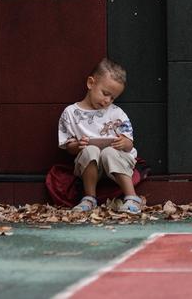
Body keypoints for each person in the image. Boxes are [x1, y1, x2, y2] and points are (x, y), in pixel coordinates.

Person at [57, 58, 142, 214]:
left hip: (117, 163)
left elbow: (129, 143)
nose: (107, 100)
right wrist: (78, 146)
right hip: (89, 166)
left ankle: (132, 198)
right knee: (90, 150)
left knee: (109, 152)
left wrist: (124, 143)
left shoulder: (116, 113)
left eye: (113, 98)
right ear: (91, 83)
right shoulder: (70, 113)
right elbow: (68, 147)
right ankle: (89, 198)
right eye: (105, 93)